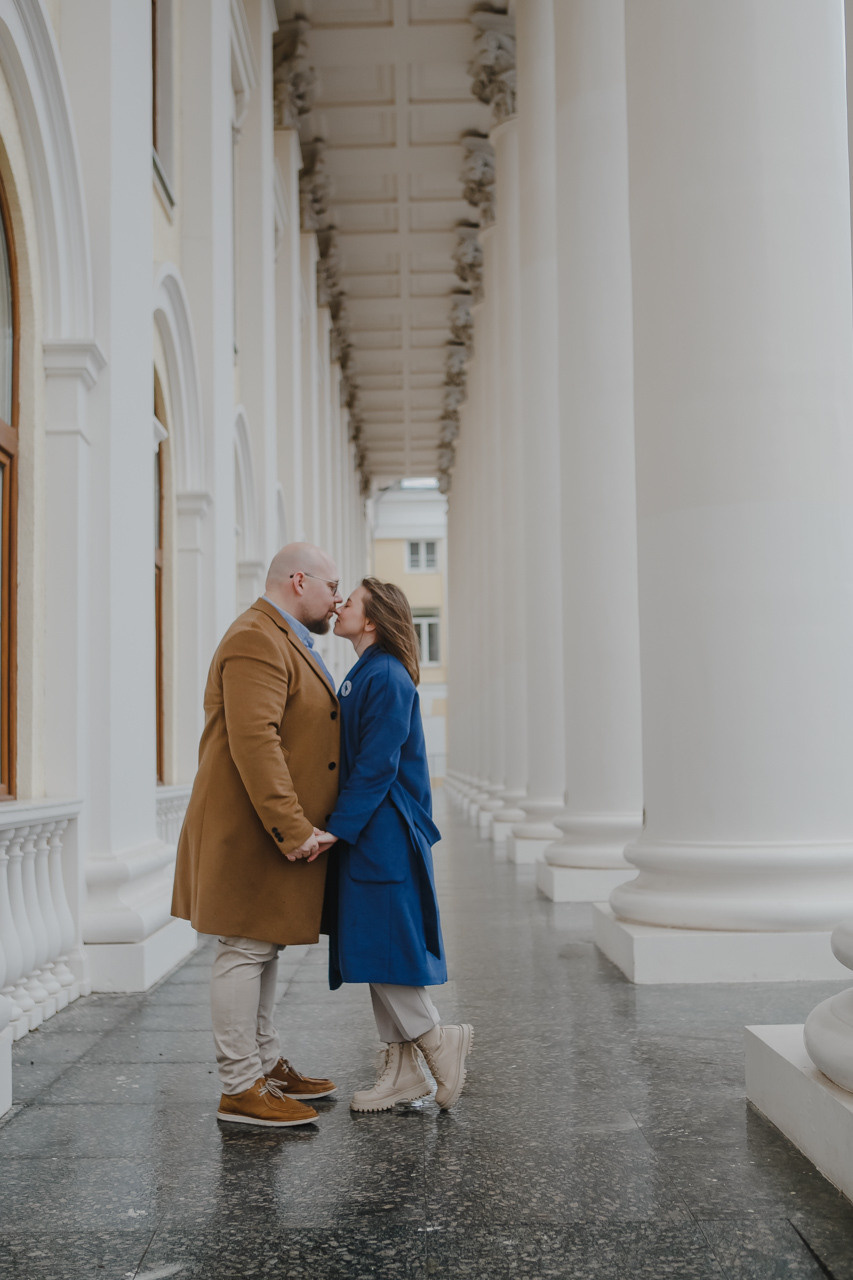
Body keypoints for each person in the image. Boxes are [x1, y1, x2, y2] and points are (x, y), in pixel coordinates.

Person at [172, 543, 344, 1128]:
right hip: (252, 828)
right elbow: (256, 740)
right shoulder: (256, 637)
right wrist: (292, 826)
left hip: (261, 826)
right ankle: (240, 1086)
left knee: (261, 944)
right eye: (331, 586)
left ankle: (265, 1065)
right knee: (244, 949)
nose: (337, 598)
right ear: (299, 580)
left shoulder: (279, 635)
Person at [315, 578, 473, 1112]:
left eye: (350, 601)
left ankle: (437, 1040)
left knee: (385, 950)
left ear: (372, 619)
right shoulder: (369, 671)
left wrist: (338, 828)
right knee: (376, 947)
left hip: (381, 832)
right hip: (373, 831)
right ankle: (404, 1069)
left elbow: (377, 764)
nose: (339, 605)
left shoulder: (384, 675)